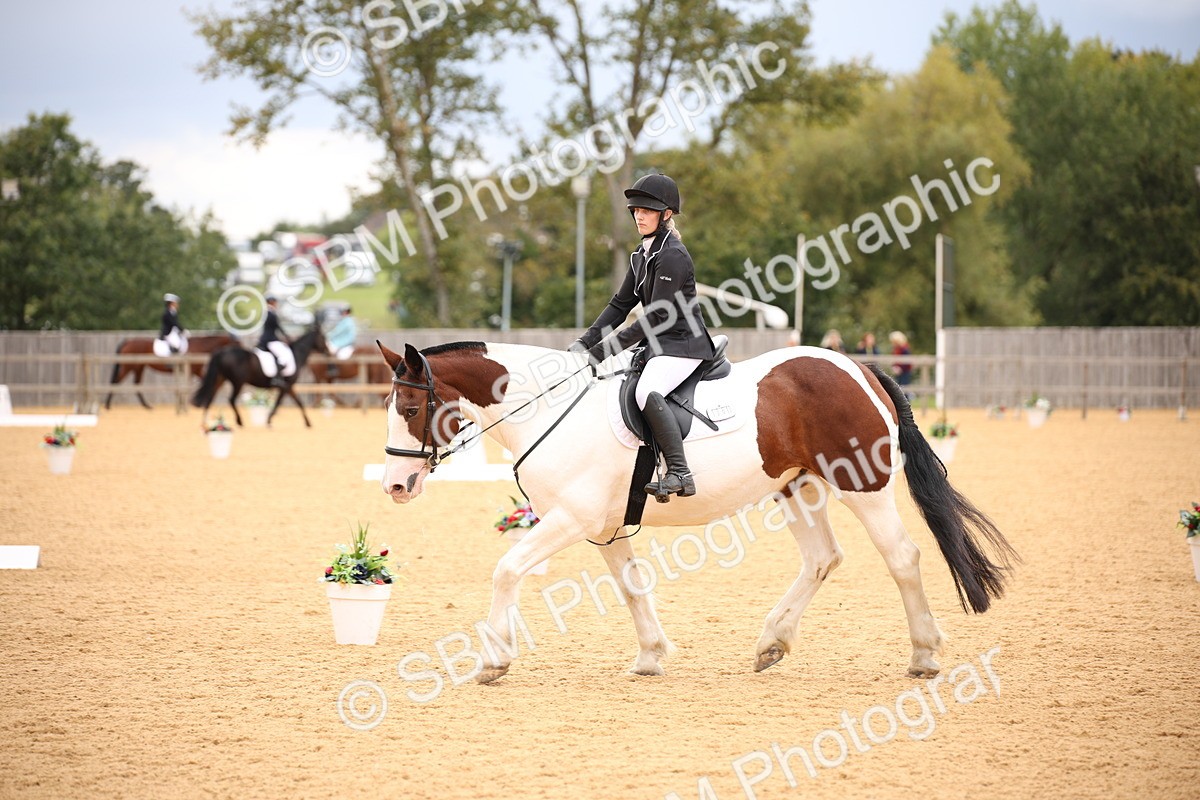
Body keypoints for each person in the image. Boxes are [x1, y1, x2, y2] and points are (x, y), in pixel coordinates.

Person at [569, 173, 716, 501]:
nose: (639, 215)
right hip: (658, 344)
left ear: (666, 215)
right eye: (635, 210)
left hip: (683, 344)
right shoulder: (642, 254)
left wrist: (604, 350)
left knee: (647, 390)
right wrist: (585, 342)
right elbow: (620, 305)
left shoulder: (673, 255)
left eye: (647, 210)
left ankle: (680, 472)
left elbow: (659, 316)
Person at [257, 295, 295, 388]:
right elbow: (278, 327)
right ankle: (277, 378)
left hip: (268, 339)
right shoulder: (271, 314)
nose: (276, 304)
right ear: (272, 302)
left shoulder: (266, 313)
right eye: (275, 302)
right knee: (283, 356)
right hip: (270, 340)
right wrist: (287, 337)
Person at [325, 305, 358, 376]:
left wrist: (327, 336)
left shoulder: (347, 322)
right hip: (340, 342)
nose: (342, 313)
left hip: (342, 343)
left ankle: (332, 369)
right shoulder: (346, 321)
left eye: (343, 312)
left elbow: (337, 332)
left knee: (329, 349)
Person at [889, 330, 913, 395]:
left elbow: (907, 362)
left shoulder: (905, 349)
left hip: (905, 372)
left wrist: (900, 368)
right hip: (898, 372)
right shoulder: (896, 349)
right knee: (898, 389)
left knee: (904, 389)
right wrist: (894, 367)